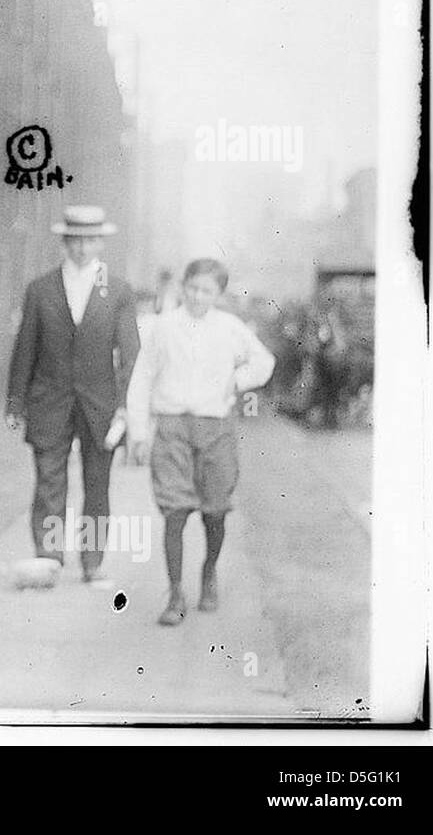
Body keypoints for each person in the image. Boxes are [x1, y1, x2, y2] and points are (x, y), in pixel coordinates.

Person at [126, 257, 275, 626]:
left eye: (206, 290)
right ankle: (175, 593)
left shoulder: (230, 327)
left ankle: (208, 574)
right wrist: (140, 433)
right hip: (173, 428)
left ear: (218, 294)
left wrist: (237, 381)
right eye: (192, 287)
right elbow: (142, 378)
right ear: (182, 286)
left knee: (215, 510)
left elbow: (263, 362)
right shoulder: (163, 327)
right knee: (174, 512)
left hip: (215, 429)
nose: (197, 296)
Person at [5, 205, 140, 585]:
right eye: (75, 241)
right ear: (65, 242)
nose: (82, 249)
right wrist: (16, 401)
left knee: (98, 486)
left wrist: (126, 406)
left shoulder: (119, 290)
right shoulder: (41, 288)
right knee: (49, 483)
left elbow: (131, 355)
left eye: (90, 241)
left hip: (101, 405)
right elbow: (25, 349)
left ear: (101, 243)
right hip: (49, 401)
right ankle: (48, 558)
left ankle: (93, 562)